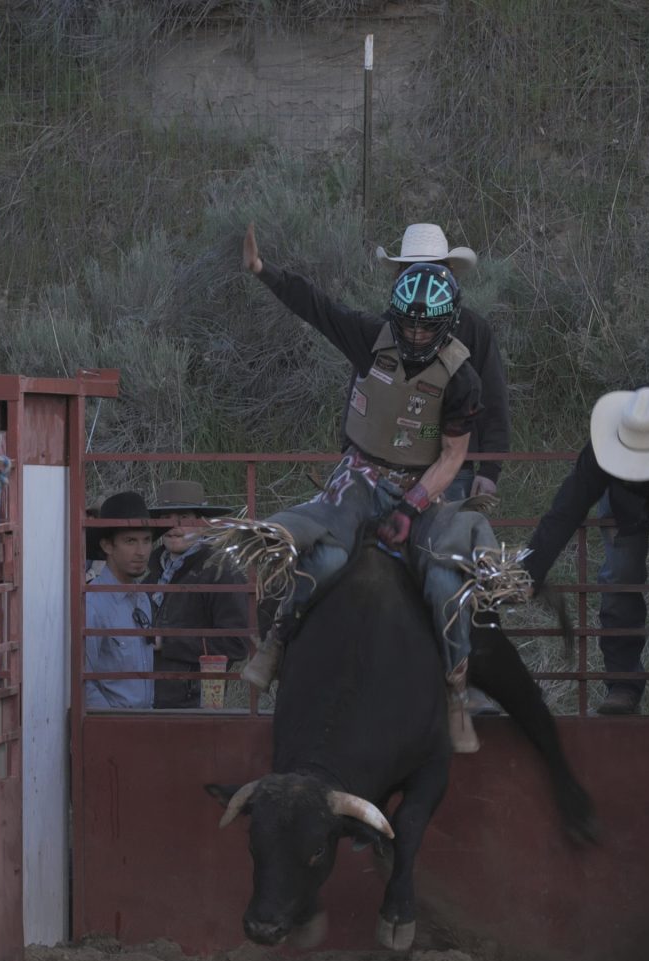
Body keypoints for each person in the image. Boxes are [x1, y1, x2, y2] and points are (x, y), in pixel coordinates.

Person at [233, 224, 505, 753]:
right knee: (324, 558)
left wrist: (413, 505)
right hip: (358, 474)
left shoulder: (464, 377)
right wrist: (263, 271)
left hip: (421, 485)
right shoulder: (369, 336)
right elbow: (317, 307)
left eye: (429, 331)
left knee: (447, 584)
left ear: (448, 323)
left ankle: (456, 688)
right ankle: (278, 638)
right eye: (410, 327)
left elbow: (453, 457)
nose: (418, 337)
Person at [522, 387, 649, 716]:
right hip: (623, 502)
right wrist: (529, 571)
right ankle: (622, 682)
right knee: (619, 579)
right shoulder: (600, 451)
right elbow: (566, 509)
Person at [379, 224, 509, 502]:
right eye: (414, 268)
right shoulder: (383, 327)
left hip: (453, 465)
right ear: (401, 275)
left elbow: (492, 398)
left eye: (431, 268)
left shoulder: (473, 328)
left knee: (443, 542)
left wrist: (489, 468)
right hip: (387, 463)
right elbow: (363, 393)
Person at [145, 481, 253, 709]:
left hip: (193, 703)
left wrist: (167, 642)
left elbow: (236, 644)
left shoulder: (221, 572)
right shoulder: (146, 570)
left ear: (202, 524)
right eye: (166, 519)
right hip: (143, 698)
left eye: (184, 518)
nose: (175, 526)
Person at [84, 490, 157, 710]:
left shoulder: (142, 599)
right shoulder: (92, 604)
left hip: (145, 723)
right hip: (115, 728)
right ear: (107, 546)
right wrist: (113, 725)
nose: (141, 552)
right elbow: (83, 681)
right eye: (130, 541)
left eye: (146, 541)